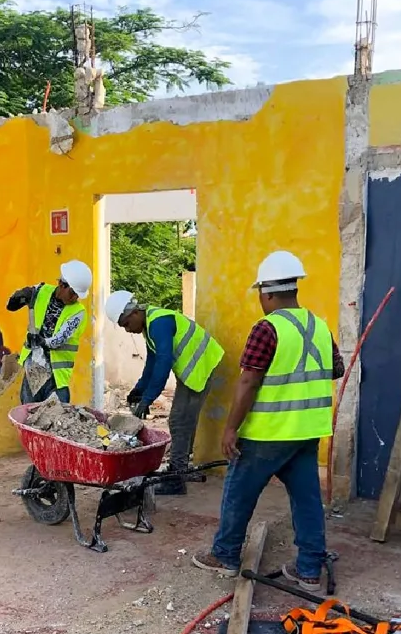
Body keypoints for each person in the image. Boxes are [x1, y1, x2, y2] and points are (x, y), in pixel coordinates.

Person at [191, 251, 345, 592]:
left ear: (268, 293)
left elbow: (248, 380)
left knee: (238, 493)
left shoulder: (267, 328)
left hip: (267, 433)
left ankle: (226, 556)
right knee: (307, 501)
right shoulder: (318, 325)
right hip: (307, 432)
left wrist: (230, 427)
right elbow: (337, 369)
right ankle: (308, 570)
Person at [104, 290, 225, 496]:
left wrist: (148, 399)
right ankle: (181, 468)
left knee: (179, 420)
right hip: (200, 365)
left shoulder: (158, 323)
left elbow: (163, 364)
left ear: (133, 312)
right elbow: (151, 364)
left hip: (200, 367)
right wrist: (139, 390)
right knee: (185, 420)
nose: (127, 330)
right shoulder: (151, 323)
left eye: (125, 324)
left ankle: (176, 479)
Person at [7, 260, 92, 404]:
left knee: (57, 417)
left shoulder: (79, 312)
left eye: (77, 295)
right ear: (61, 285)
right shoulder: (41, 291)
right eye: (72, 293)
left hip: (56, 375)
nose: (74, 298)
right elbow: (12, 305)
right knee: (30, 413)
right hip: (33, 366)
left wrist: (42, 341)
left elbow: (60, 338)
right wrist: (17, 298)